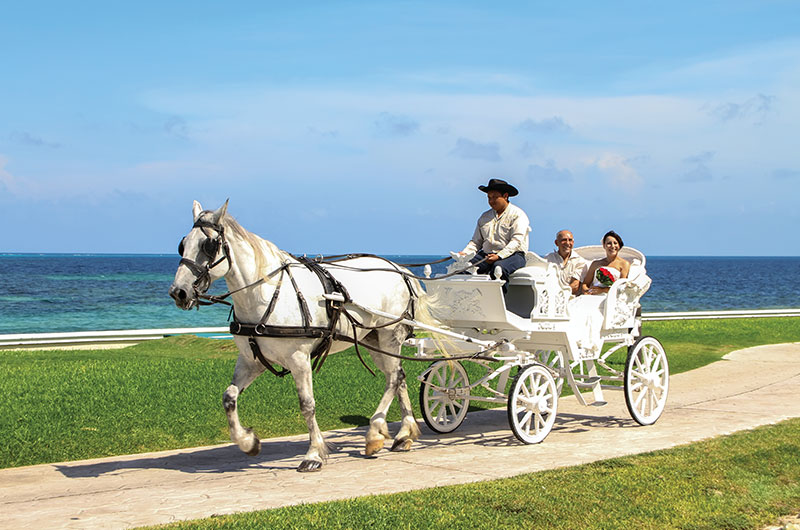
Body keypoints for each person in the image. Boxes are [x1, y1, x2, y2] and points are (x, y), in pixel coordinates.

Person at [460, 178, 530, 285]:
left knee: (499, 269)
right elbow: (476, 242)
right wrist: (465, 253)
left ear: (505, 196)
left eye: (495, 197)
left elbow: (516, 241)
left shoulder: (518, 215)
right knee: (464, 268)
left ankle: (499, 301)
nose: (491, 201)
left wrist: (499, 256)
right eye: (489, 198)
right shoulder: (484, 217)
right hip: (487, 255)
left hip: (514, 256)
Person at [582, 230, 631, 295]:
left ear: (619, 246)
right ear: (604, 246)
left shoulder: (624, 264)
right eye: (609, 243)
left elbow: (621, 287)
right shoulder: (595, 264)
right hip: (593, 295)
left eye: (615, 243)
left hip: (611, 297)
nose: (612, 246)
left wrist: (603, 290)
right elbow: (585, 284)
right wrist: (587, 291)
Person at [545, 230, 588, 295]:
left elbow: (575, 286)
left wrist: (559, 295)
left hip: (570, 298)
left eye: (570, 240)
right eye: (564, 240)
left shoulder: (580, 262)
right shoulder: (548, 259)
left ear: (573, 242)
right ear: (556, 243)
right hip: (550, 296)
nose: (567, 243)